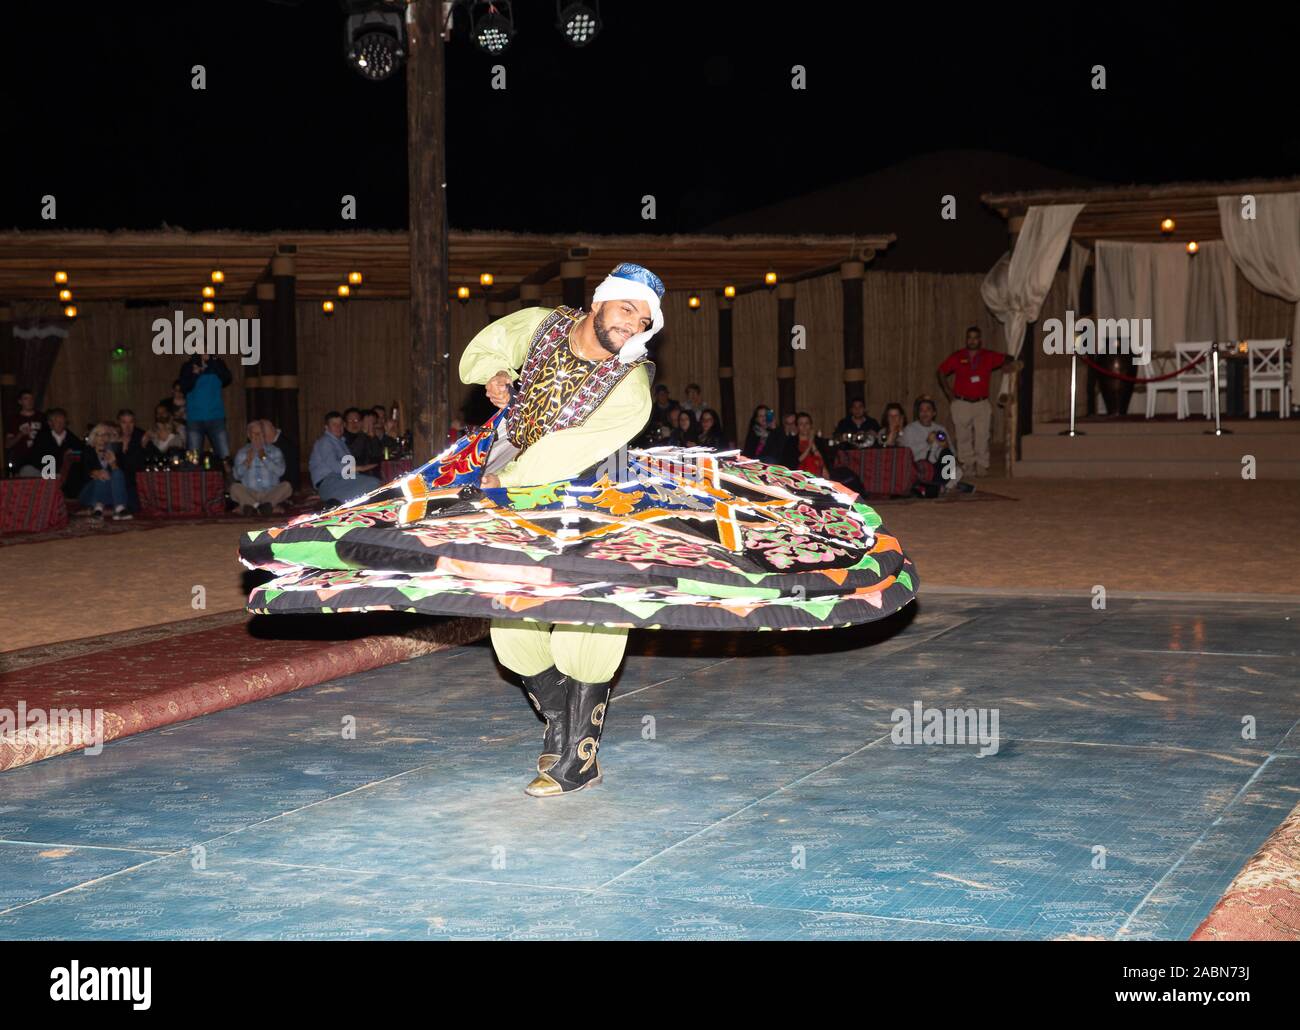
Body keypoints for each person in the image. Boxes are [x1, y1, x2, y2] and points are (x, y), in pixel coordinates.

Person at [240, 263, 920, 801]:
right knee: (509, 623)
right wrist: (494, 378)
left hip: (592, 490)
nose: (633, 325)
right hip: (509, 477)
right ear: (602, 300)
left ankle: (577, 753)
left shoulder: (631, 388)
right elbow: (480, 352)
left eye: (646, 321)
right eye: (628, 308)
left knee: (590, 609)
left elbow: (562, 458)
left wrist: (495, 500)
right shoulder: (540, 324)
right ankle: (561, 717)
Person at [937, 325, 1021, 477]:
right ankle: (968, 464)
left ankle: (982, 465)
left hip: (981, 403)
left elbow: (1008, 358)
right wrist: (949, 394)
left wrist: (1009, 365)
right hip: (961, 403)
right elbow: (941, 372)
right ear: (966, 339)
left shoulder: (988, 356)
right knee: (963, 436)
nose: (972, 340)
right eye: (970, 337)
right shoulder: (958, 356)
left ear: (980, 340)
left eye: (975, 337)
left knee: (983, 436)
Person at [901, 396, 972, 496]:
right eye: (921, 410)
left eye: (928, 409)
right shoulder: (910, 429)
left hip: (938, 466)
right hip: (921, 468)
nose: (924, 413)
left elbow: (952, 453)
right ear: (918, 413)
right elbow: (907, 454)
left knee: (956, 466)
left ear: (934, 413)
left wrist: (945, 446)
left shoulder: (940, 429)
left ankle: (943, 486)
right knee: (954, 473)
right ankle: (947, 485)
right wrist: (927, 442)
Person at [310, 410, 379, 506]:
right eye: (334, 424)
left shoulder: (341, 442)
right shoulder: (325, 442)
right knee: (373, 483)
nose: (338, 427)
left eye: (340, 424)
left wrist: (360, 474)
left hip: (341, 481)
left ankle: (337, 502)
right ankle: (334, 501)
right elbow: (335, 466)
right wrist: (360, 468)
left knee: (374, 484)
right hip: (329, 482)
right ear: (326, 427)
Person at [179, 354, 232, 463]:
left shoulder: (217, 363)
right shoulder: (188, 366)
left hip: (216, 417)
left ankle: (227, 478)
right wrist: (195, 374)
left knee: (224, 457)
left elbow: (227, 379)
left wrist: (211, 362)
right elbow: (184, 387)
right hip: (194, 418)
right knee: (193, 460)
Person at [232, 420, 292, 516]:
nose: (257, 437)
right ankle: (264, 507)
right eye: (254, 433)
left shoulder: (275, 451)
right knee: (234, 488)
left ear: (264, 434)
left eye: (259, 433)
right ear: (248, 435)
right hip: (249, 493)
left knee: (287, 486)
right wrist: (246, 462)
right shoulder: (242, 453)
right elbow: (236, 476)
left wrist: (265, 458)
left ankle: (250, 507)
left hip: (270, 493)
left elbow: (280, 472)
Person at [79, 422, 132, 520]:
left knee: (117, 472)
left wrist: (113, 464)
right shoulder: (87, 451)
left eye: (107, 435)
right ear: (93, 437)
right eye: (100, 435)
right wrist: (94, 473)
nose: (104, 438)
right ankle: (99, 506)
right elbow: (82, 474)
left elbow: (124, 478)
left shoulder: (115, 452)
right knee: (101, 475)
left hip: (111, 495)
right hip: (90, 493)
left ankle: (119, 508)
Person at [27, 408, 84, 494]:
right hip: (45, 472)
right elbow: (35, 457)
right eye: (57, 421)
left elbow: (81, 455)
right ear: (50, 423)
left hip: (66, 475)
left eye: (62, 421)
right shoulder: (42, 437)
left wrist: (69, 457)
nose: (60, 423)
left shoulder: (72, 439)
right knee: (27, 470)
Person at [113, 408, 148, 509]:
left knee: (133, 506)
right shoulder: (113, 436)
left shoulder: (141, 436)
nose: (128, 427)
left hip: (134, 480)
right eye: (124, 422)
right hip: (116, 479)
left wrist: (144, 447)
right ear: (118, 423)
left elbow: (143, 463)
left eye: (131, 422)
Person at [5, 388, 43, 474]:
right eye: (26, 399)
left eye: (31, 399)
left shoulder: (42, 417)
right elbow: (8, 444)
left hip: (41, 460)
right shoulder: (14, 419)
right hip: (23, 461)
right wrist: (21, 434)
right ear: (20, 402)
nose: (30, 401)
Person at [258, 418, 300, 490]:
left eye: (262, 433)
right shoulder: (259, 445)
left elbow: (283, 472)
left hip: (279, 484)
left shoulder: (287, 446)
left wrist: (263, 457)